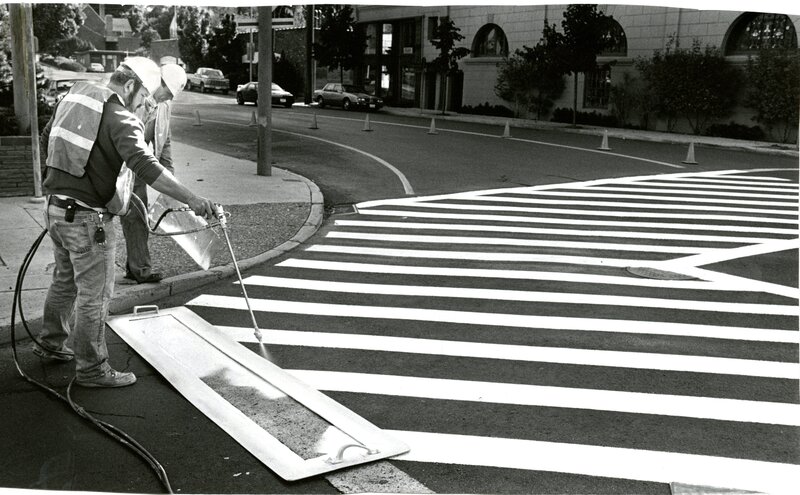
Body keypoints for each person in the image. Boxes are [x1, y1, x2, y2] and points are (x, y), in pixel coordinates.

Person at [35, 57, 216, 388]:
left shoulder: (77, 97)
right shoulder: (120, 116)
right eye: (144, 96)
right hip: (89, 220)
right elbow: (146, 165)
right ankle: (91, 369)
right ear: (130, 86)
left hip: (57, 210)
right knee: (96, 293)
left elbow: (48, 137)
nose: (146, 103)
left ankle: (50, 343)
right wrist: (194, 199)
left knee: (64, 281)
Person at [121, 63, 187, 283]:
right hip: (123, 165)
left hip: (139, 167)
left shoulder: (164, 106)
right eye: (166, 92)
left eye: (170, 95)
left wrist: (171, 183)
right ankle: (137, 268)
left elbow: (164, 144)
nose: (167, 97)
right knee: (128, 217)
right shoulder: (136, 98)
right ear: (159, 83)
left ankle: (138, 268)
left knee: (137, 218)